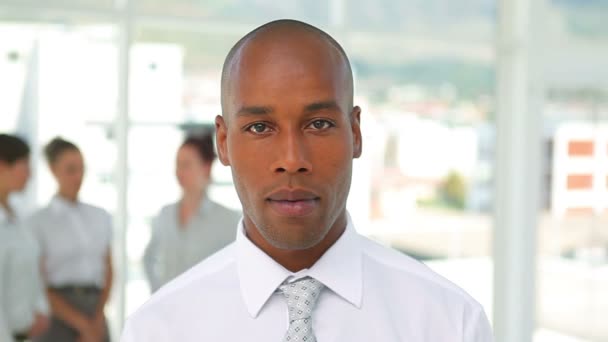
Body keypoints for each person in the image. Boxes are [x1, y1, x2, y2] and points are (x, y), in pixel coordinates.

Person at [120, 19, 493, 341]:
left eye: (318, 124)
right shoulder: (158, 330)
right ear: (223, 142)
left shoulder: (449, 323)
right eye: (260, 127)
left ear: (356, 133)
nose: (292, 161)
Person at [26, 137, 113, 342]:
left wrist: (96, 321)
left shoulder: (100, 216)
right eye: (71, 169)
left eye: (82, 169)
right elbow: (37, 281)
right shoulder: (37, 222)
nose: (78, 176)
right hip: (57, 315)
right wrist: (83, 325)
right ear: (53, 170)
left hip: (96, 312)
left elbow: (109, 269)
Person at [143, 133, 240, 292]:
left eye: (186, 165)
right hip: (168, 309)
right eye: (177, 164)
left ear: (206, 168)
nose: (179, 172)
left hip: (207, 309)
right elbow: (148, 258)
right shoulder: (165, 215)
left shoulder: (228, 220)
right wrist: (157, 293)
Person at [0, 134, 50, 342]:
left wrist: (40, 308)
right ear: (2, 166)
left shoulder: (19, 215)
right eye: (25, 166)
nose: (29, 175)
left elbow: (33, 270)